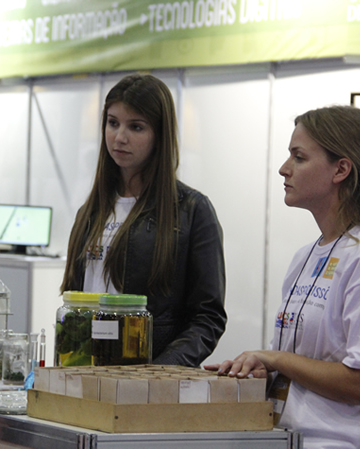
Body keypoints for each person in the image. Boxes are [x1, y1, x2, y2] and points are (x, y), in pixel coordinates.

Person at [204, 106, 360, 448]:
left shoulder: (356, 258)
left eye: (299, 157)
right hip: (283, 436)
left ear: (341, 169)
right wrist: (263, 371)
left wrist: (275, 358)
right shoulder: (304, 256)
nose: (283, 168)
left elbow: (356, 382)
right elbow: (301, 366)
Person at [61, 73, 227, 366]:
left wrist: (158, 372)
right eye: (113, 123)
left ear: (159, 134)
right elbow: (74, 301)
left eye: (136, 127)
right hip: (85, 370)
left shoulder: (191, 210)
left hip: (148, 374)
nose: (119, 137)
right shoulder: (90, 211)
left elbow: (207, 318)